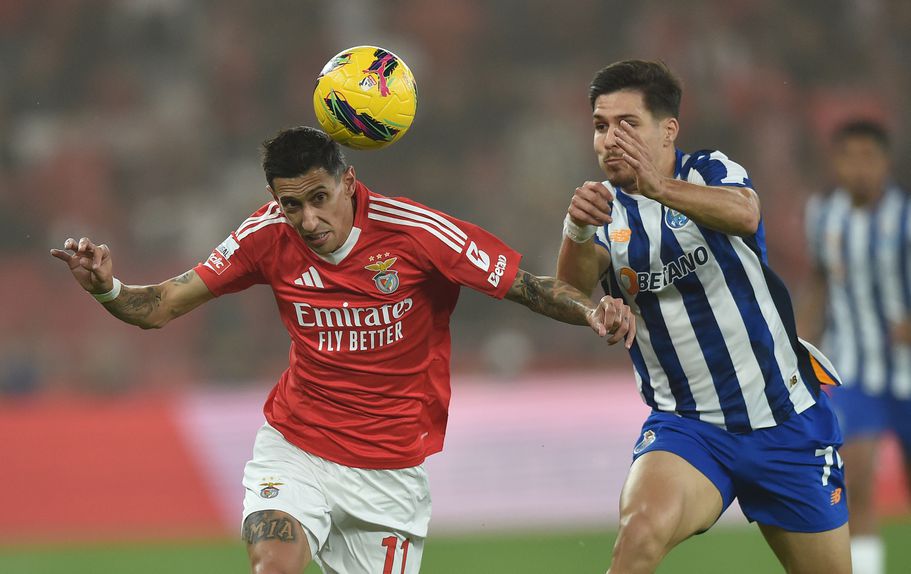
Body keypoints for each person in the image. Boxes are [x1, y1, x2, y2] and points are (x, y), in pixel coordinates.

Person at [50, 126, 635, 574]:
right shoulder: (264, 237)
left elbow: (529, 287)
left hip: (390, 473)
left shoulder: (418, 234)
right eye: (290, 205)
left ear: (348, 182)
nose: (307, 219)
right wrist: (109, 288)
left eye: (318, 198)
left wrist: (593, 309)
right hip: (297, 447)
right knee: (273, 563)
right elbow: (163, 305)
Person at [555, 59, 850, 573]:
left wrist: (658, 188)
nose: (610, 139)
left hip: (785, 421)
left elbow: (746, 213)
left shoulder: (708, 171)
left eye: (628, 124)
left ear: (668, 130)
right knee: (639, 535)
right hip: (689, 429)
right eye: (601, 126)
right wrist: (577, 233)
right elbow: (571, 288)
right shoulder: (602, 210)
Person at [801, 119, 911, 574]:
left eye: (869, 157)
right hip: (853, 370)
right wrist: (802, 342)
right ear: (837, 163)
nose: (859, 168)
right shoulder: (823, 216)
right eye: (850, 157)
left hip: (907, 374)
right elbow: (819, 280)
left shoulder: (905, 217)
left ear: (885, 162)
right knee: (858, 480)